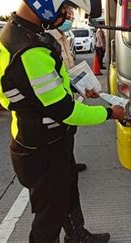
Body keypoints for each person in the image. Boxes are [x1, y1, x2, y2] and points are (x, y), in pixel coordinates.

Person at [0, 0, 126, 243]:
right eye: (65, 6)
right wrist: (109, 113)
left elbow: (24, 91)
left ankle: (78, 236)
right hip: (40, 147)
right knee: (48, 216)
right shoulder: (30, 49)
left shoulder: (19, 33)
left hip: (48, 141)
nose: (67, 14)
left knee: (67, 191)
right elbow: (64, 111)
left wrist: (77, 87)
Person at [48, 9, 88, 173]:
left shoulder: (63, 36)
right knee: (61, 132)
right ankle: (62, 167)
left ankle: (69, 163)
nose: (70, 18)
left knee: (69, 131)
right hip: (57, 93)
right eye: (67, 14)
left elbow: (68, 69)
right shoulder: (49, 39)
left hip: (68, 88)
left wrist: (80, 86)